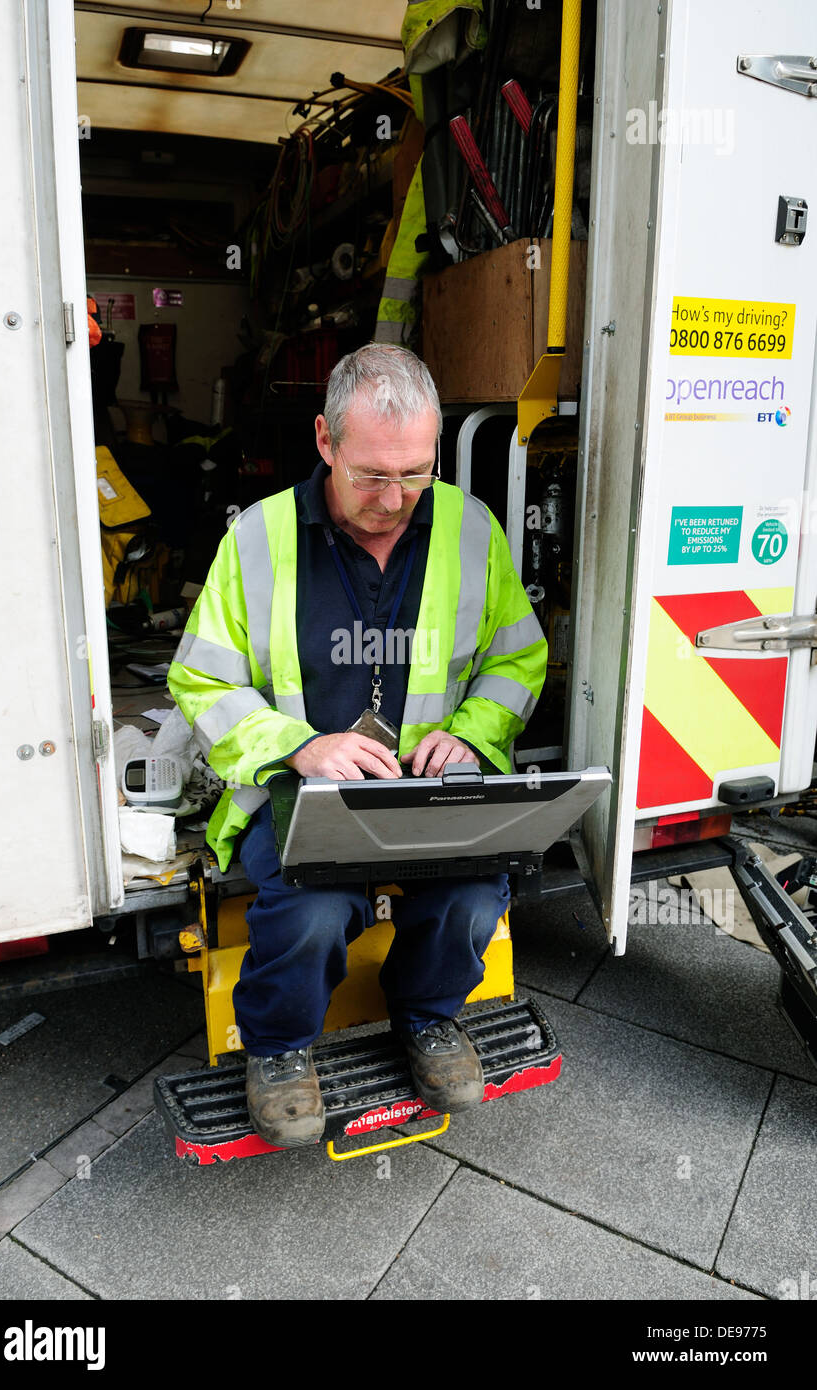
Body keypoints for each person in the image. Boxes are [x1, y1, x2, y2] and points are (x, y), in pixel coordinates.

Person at [168, 345, 548, 1147]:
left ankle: (427, 1020)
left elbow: (517, 657)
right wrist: (300, 746)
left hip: (427, 788)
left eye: (415, 473)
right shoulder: (258, 537)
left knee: (475, 897)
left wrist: (472, 734)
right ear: (324, 440)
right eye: (372, 476)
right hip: (299, 791)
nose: (395, 498)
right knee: (309, 912)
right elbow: (202, 679)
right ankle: (277, 1048)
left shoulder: (469, 527)